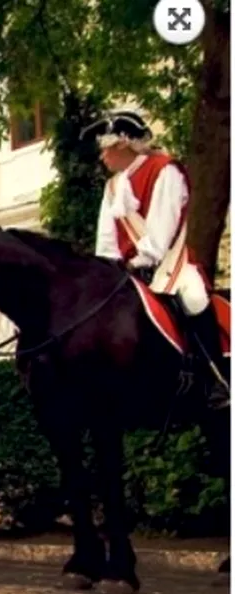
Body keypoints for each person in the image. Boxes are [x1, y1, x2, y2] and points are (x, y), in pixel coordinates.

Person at [85, 108, 229, 408]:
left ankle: (215, 379)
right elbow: (107, 240)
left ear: (123, 144)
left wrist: (138, 261)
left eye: (106, 149)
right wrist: (105, 270)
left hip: (168, 264)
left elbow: (161, 232)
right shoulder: (112, 188)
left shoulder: (165, 170)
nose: (102, 157)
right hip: (125, 271)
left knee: (194, 297)